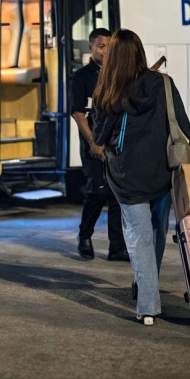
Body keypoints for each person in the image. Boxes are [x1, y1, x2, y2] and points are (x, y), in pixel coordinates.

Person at [92, 29, 190, 325]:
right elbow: (182, 125)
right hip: (161, 173)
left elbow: (100, 137)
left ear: (113, 56)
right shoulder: (163, 83)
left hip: (126, 176)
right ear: (140, 52)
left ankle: (148, 306)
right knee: (155, 233)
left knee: (138, 237)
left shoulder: (109, 88)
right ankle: (145, 287)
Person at [71, 28, 128, 261]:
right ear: (91, 48)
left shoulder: (119, 75)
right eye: (101, 46)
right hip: (93, 144)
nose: (106, 51)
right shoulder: (82, 77)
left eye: (109, 46)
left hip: (116, 144)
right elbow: (78, 114)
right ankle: (85, 235)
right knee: (97, 190)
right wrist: (93, 143)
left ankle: (117, 248)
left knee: (116, 194)